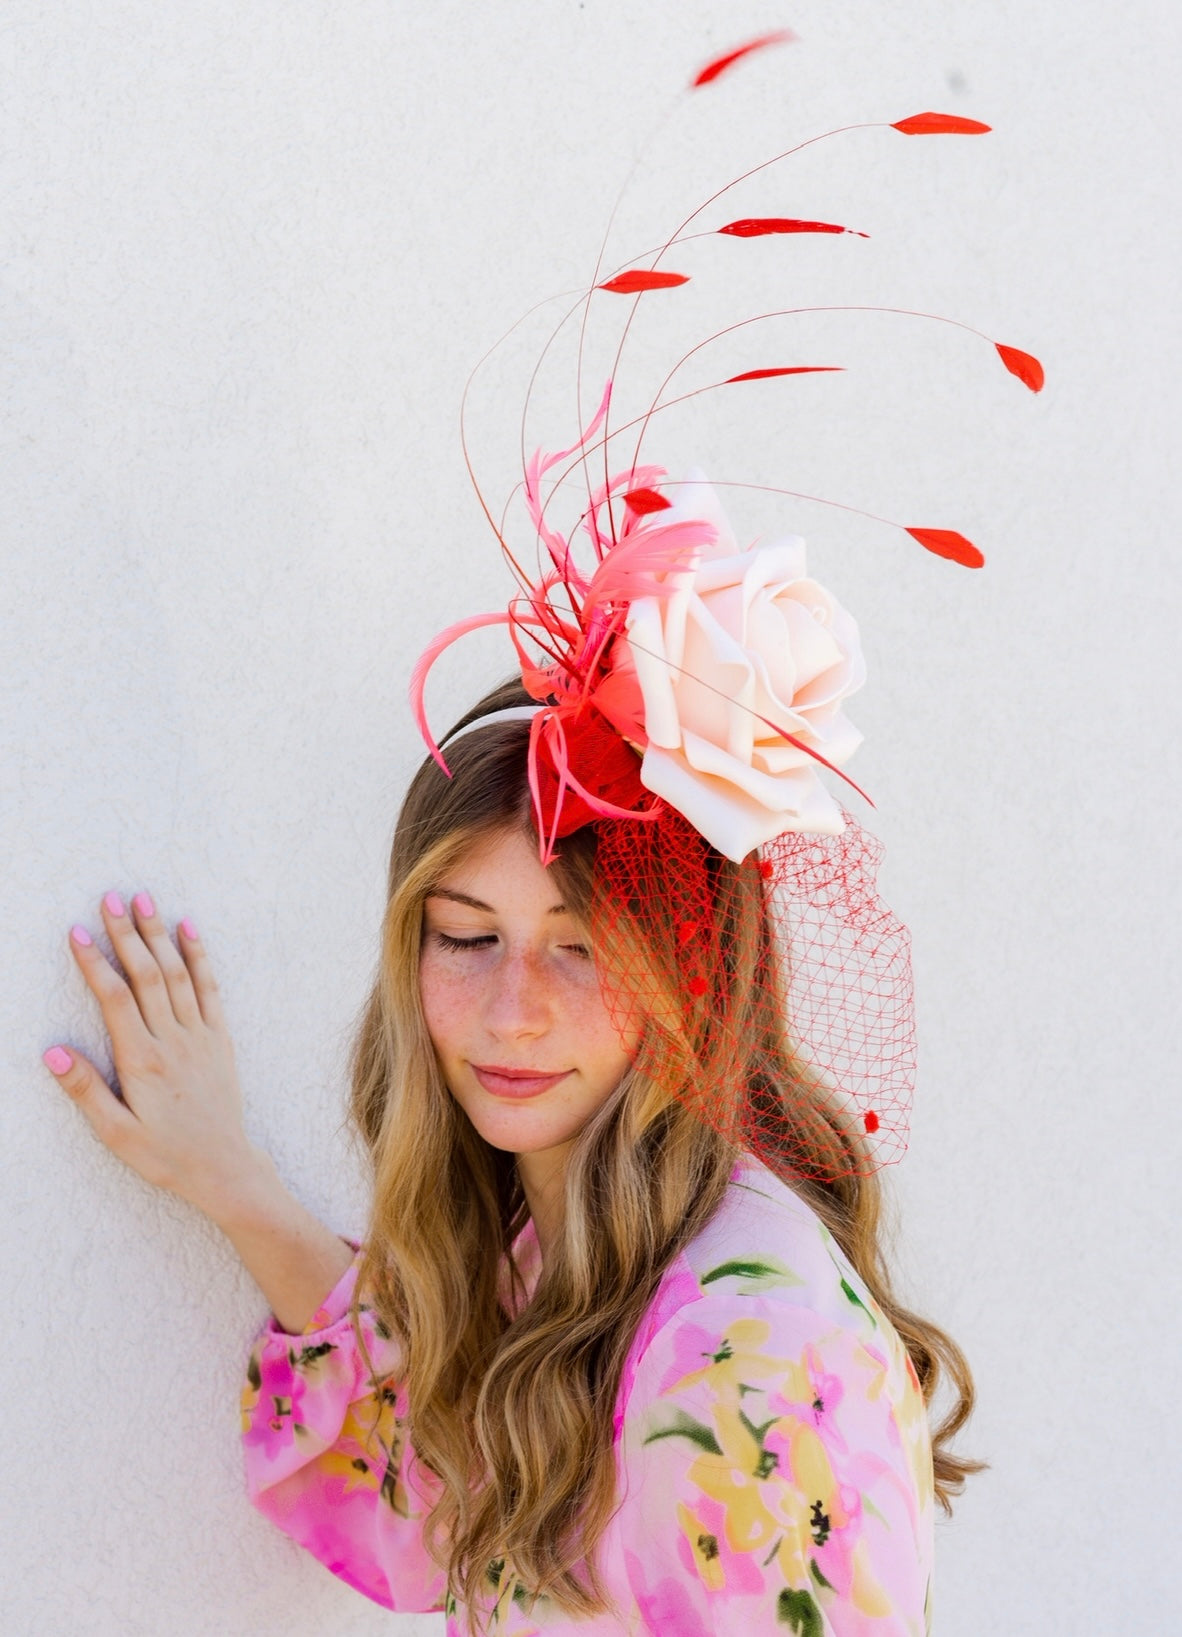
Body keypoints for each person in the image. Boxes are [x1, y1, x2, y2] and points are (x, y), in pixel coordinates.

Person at [42, 32, 1041, 1633]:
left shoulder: (752, 1352)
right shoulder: (568, 1241)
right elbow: (441, 1468)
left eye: (580, 950)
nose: (512, 1008)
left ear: (686, 972)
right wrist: (235, 1183)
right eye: (465, 936)